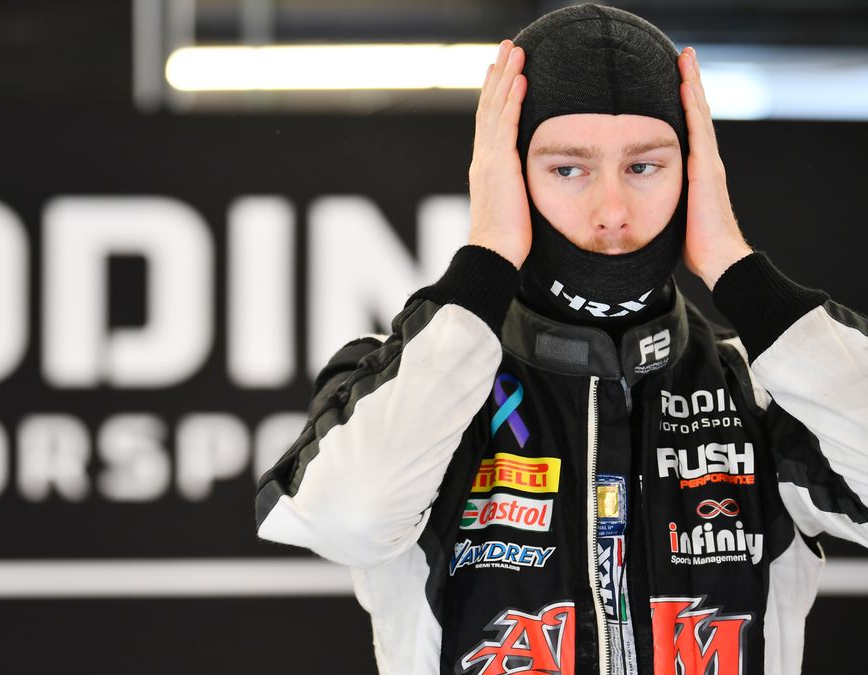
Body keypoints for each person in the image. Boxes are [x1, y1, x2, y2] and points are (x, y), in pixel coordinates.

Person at [253, 4, 868, 675]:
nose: (612, 212)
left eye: (645, 166)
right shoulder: (413, 379)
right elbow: (346, 517)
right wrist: (485, 260)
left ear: (694, 173)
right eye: (567, 169)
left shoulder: (766, 385)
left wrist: (739, 271)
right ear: (509, 176)